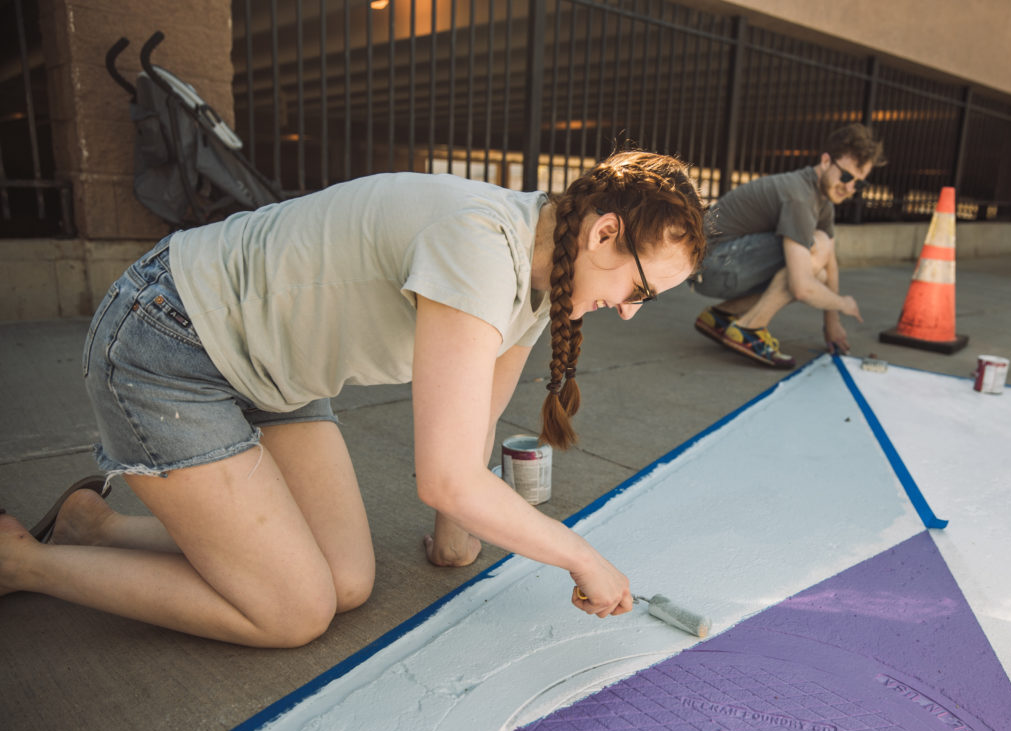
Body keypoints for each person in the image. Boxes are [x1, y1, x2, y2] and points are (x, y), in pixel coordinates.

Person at [0, 151, 706, 648]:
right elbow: (447, 476)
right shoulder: (481, 246)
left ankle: (95, 527)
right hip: (171, 340)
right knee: (293, 610)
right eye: (641, 288)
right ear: (604, 232)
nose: (632, 311)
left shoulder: (542, 275)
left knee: (345, 579)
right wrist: (581, 556)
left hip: (274, 375)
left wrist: (455, 539)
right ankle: (24, 561)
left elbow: (476, 419)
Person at [690, 123, 886, 368]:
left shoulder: (823, 202)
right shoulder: (799, 196)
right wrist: (843, 303)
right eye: (846, 176)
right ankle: (749, 328)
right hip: (712, 265)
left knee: (820, 267)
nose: (849, 188)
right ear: (826, 161)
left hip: (720, 264)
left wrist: (832, 323)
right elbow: (802, 287)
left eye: (859, 183)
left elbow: (831, 263)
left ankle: (721, 317)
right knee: (813, 254)